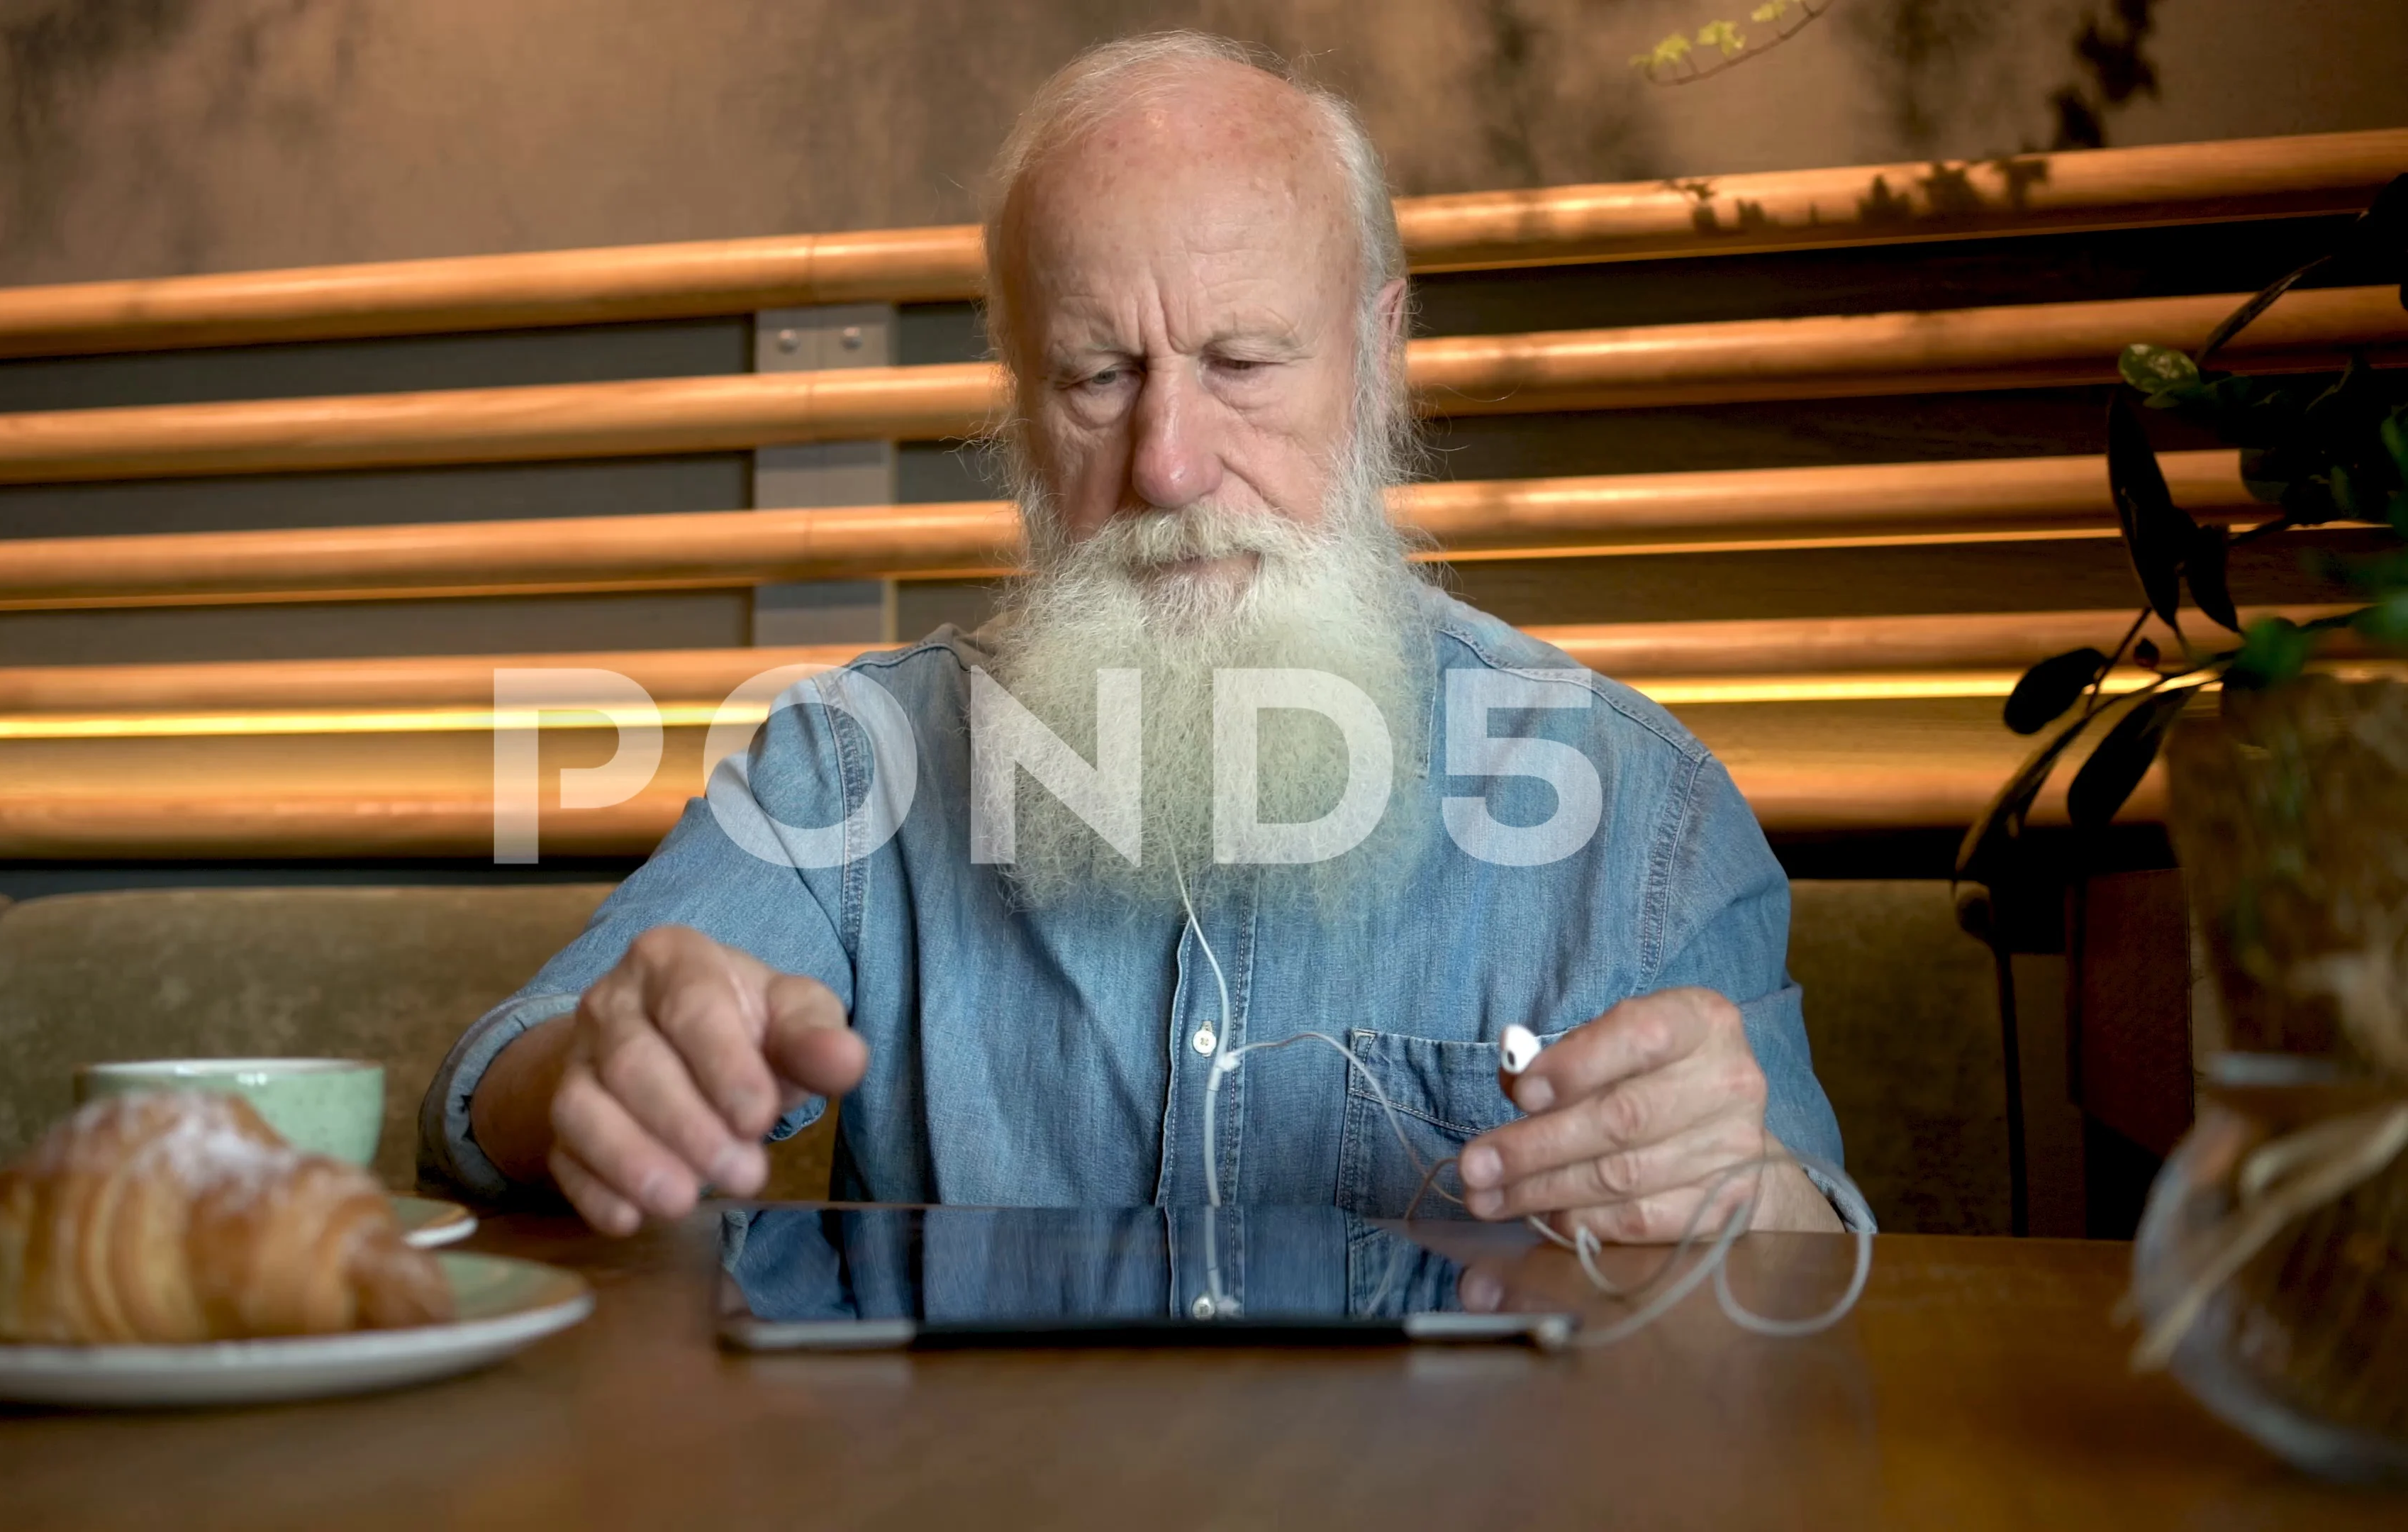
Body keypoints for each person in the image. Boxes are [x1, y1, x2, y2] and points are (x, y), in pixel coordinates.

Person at [422, 32, 1858, 1242]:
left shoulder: (1644, 812)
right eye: (1099, 376)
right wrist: (594, 1078)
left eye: (1240, 363)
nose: (1167, 465)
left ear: (1376, 359)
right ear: (1022, 408)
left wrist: (1747, 1190)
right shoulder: (856, 771)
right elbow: (483, 1101)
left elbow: (1816, 1269)